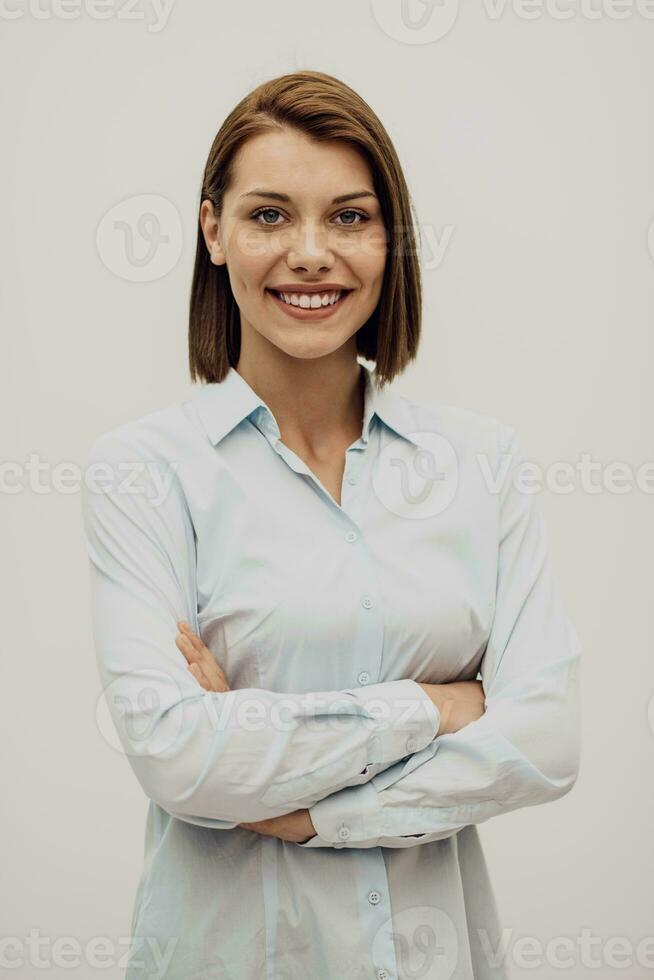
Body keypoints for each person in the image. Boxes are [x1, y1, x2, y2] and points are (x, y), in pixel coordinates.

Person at [81, 70, 582, 980]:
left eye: (349, 217)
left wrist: (299, 803)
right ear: (212, 232)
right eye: (269, 215)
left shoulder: (480, 464)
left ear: (390, 242)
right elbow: (176, 754)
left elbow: (545, 742)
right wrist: (436, 706)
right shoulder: (145, 472)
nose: (311, 253)